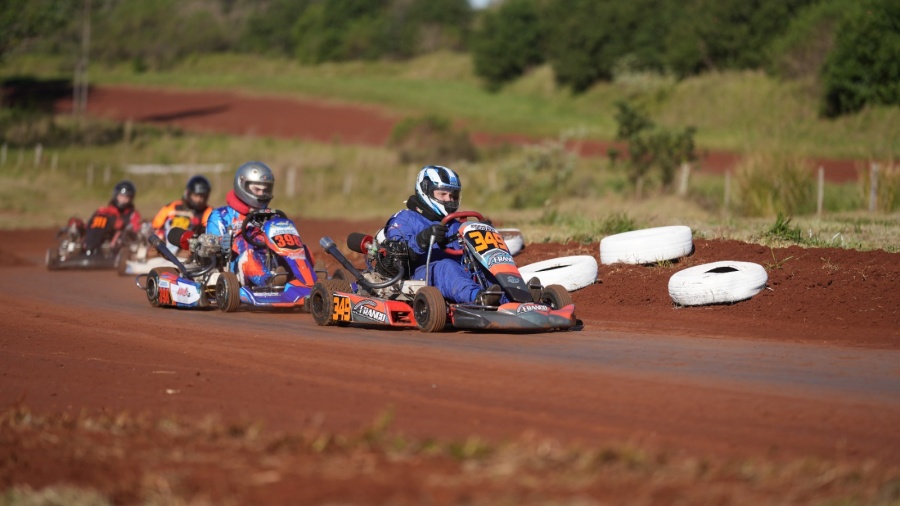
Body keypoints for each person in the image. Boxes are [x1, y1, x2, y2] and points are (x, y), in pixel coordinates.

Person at [384, 165, 502, 306]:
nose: (449, 200)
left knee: (485, 266)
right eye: (443, 194)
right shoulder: (404, 219)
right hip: (420, 274)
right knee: (446, 266)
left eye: (453, 196)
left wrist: (482, 233)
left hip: (459, 272)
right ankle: (478, 298)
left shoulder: (455, 224)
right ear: (426, 191)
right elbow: (396, 254)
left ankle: (512, 298)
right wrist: (422, 239)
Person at [205, 161, 278, 287]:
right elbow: (211, 247)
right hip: (235, 270)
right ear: (242, 186)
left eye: (265, 190)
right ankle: (270, 282)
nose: (262, 194)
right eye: (257, 189)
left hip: (271, 263)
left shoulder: (272, 216)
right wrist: (225, 241)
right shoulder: (221, 216)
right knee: (248, 255)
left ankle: (311, 279)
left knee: (298, 249)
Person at [152, 175, 213, 254]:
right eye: (196, 195)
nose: (199, 199)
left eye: (202, 196)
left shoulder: (208, 212)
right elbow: (155, 226)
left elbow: (209, 234)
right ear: (188, 193)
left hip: (189, 250)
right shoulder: (173, 207)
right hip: (164, 246)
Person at [82, 180, 143, 254]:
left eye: (126, 197)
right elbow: (89, 225)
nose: (123, 200)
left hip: (119, 245)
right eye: (121, 196)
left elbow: (136, 230)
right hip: (101, 239)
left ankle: (101, 250)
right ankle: (88, 247)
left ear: (131, 199)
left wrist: (122, 227)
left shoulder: (133, 215)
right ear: (116, 195)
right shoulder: (105, 211)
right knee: (100, 219)